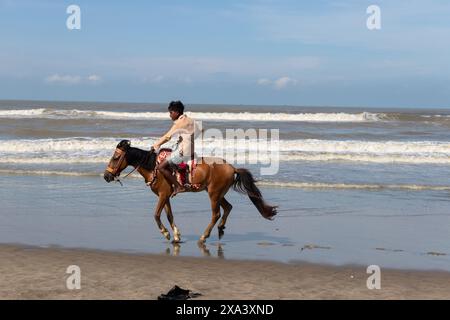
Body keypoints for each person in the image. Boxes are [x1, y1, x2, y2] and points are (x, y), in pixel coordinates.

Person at [152, 101, 195, 197]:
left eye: (171, 112)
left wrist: (156, 145)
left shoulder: (179, 123)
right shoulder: (190, 120)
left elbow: (168, 136)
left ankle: (179, 186)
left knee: (161, 167)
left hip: (183, 151)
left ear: (176, 112)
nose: (170, 115)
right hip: (191, 149)